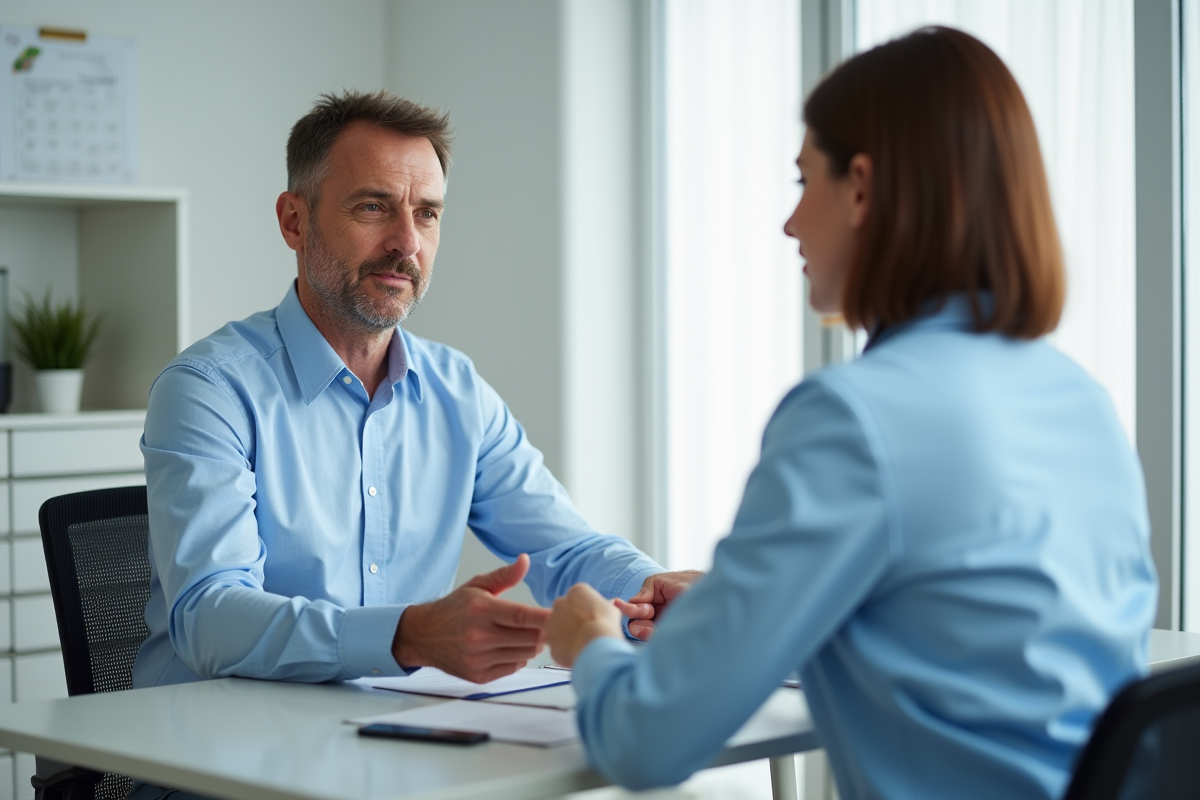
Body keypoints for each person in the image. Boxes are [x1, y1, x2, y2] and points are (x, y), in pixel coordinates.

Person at [545, 27, 1158, 800]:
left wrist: (593, 644)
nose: (792, 223)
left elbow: (646, 742)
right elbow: (966, 639)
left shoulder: (854, 419)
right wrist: (743, 607)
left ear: (862, 188)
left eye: (805, 183)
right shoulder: (1079, 401)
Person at [132, 90, 697, 693]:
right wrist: (408, 636)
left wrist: (649, 585)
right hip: (209, 758)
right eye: (374, 207)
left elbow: (567, 550)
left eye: (426, 213)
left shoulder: (458, 392)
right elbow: (209, 618)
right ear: (294, 221)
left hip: (388, 736)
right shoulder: (210, 390)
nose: (407, 242)